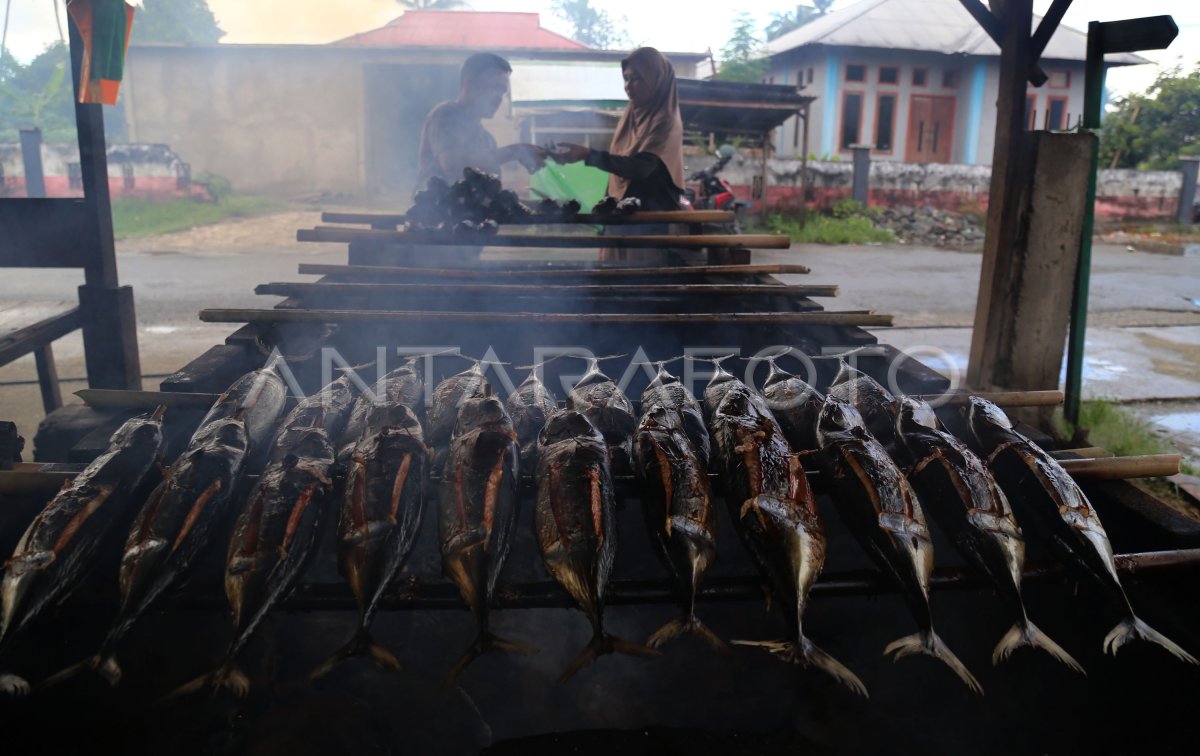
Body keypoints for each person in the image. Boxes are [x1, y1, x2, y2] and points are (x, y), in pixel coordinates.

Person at [549, 47, 685, 213]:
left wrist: (587, 154)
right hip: (625, 212)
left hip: (654, 217)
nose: (628, 86)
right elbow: (618, 169)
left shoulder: (665, 121)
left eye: (636, 79)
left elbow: (640, 168)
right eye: (626, 79)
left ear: (655, 80)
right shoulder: (630, 117)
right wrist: (608, 205)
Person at [417, 52, 545, 187]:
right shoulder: (446, 115)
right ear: (470, 83)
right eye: (494, 87)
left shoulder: (487, 139)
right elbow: (452, 164)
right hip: (436, 206)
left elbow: (492, 194)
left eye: (503, 91)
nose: (499, 98)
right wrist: (514, 151)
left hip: (466, 208)